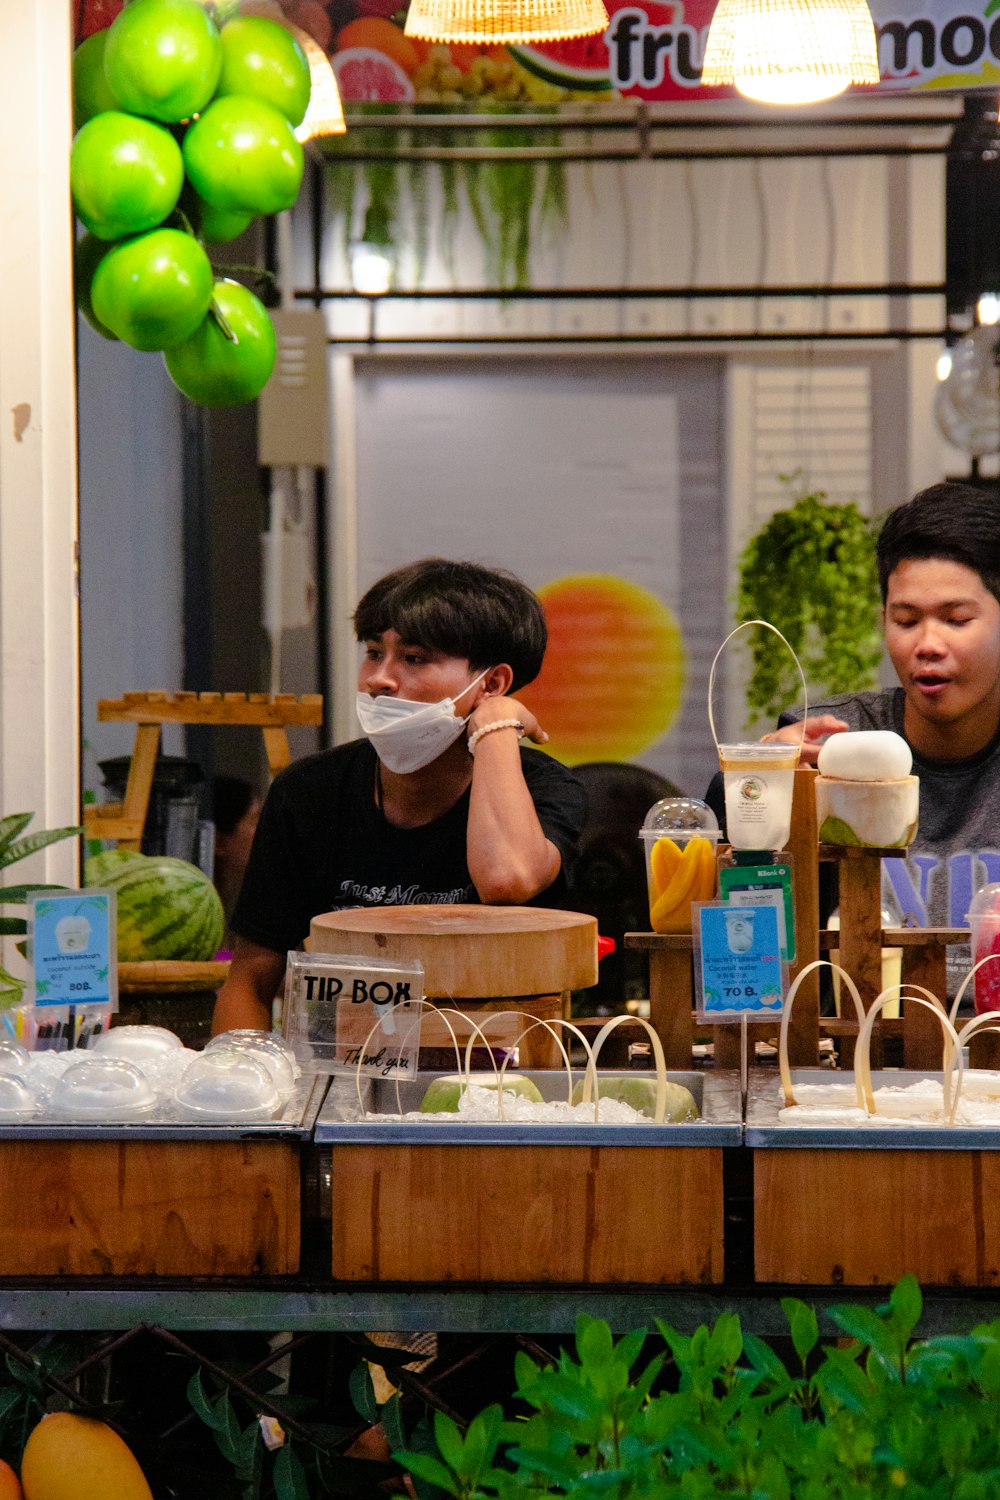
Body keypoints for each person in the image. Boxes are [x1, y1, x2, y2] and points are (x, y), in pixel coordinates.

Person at [212, 558, 587, 1034]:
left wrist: (495, 726)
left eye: (413, 659)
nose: (379, 679)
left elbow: (506, 878)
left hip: (498, 1077)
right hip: (342, 1071)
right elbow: (250, 977)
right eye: (373, 652)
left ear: (491, 682)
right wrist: (239, 1081)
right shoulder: (307, 792)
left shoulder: (548, 789)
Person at [709, 481, 1000, 932]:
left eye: (956, 619)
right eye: (905, 621)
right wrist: (760, 775)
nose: (927, 644)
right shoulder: (832, 743)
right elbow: (734, 897)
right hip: (859, 1003)